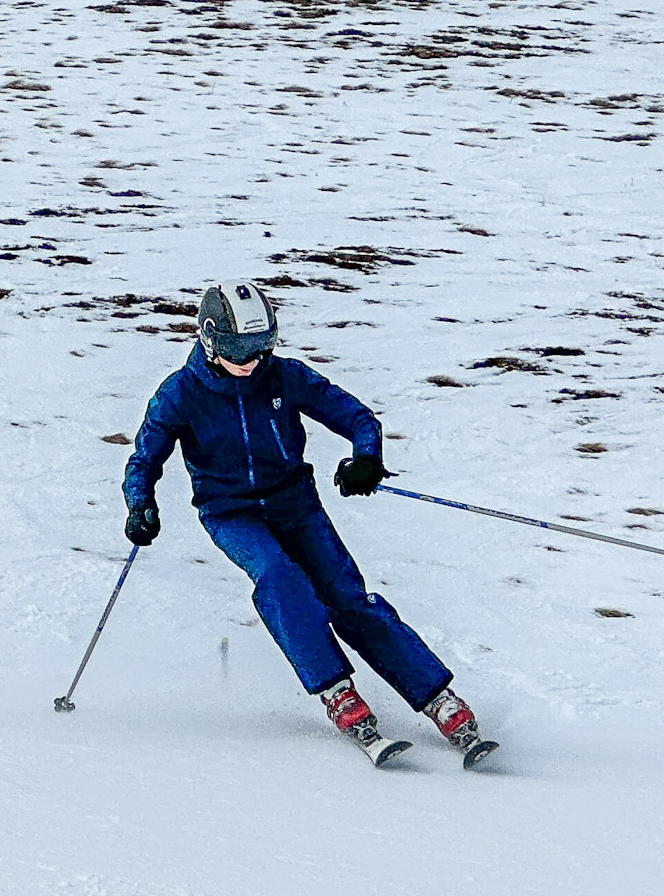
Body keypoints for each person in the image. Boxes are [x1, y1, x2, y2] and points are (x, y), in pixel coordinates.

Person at [122, 281, 493, 768]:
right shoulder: (180, 395)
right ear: (210, 341)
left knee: (347, 599)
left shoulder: (286, 377)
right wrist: (140, 504)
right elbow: (143, 458)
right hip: (231, 513)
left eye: (262, 346)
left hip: (296, 505)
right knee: (278, 576)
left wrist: (365, 459)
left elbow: (358, 418)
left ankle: (438, 700)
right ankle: (338, 693)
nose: (253, 360)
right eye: (239, 349)